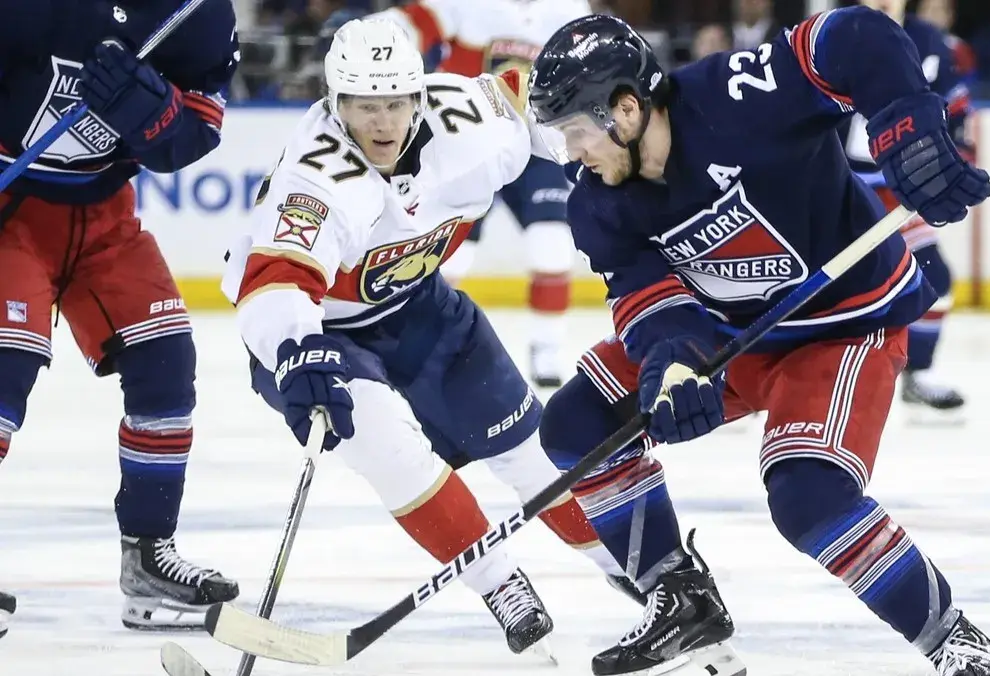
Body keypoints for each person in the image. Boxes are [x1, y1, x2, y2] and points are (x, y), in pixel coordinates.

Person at [530, 10, 990, 676]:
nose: (572, 153)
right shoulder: (597, 200)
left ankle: (952, 639)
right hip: (729, 338)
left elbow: (856, 36)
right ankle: (680, 598)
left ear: (626, 108)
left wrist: (903, 124)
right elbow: (648, 300)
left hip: (844, 324)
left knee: (808, 496)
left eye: (577, 133)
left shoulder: (735, 95)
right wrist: (671, 363)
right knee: (576, 424)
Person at [221, 17, 622, 656]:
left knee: (532, 454)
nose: (380, 123)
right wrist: (296, 355)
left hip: (418, 307)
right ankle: (499, 581)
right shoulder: (317, 180)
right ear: (334, 103)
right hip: (323, 332)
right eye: (362, 106)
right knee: (389, 446)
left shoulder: (475, 125)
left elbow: (535, 100)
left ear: (419, 96)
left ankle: (647, 575)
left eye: (394, 103)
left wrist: (617, 146)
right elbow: (275, 283)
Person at [0, 0, 241, 630]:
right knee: (3, 369)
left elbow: (192, 137)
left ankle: (149, 561)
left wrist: (154, 114)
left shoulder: (200, 14)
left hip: (104, 212)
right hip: (10, 209)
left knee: (165, 363)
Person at [372, 0, 593, 387]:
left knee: (553, 243)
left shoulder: (570, 6)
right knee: (448, 259)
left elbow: (586, 68)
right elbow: (415, 23)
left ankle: (547, 352)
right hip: (468, 139)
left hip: (537, 142)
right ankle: (418, 345)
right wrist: (373, 37)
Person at [847, 0, 979, 418]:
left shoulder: (928, 40)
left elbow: (955, 107)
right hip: (838, 186)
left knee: (934, 276)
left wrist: (957, 157)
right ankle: (745, 380)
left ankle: (917, 375)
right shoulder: (830, 36)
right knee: (791, 283)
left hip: (899, 188)